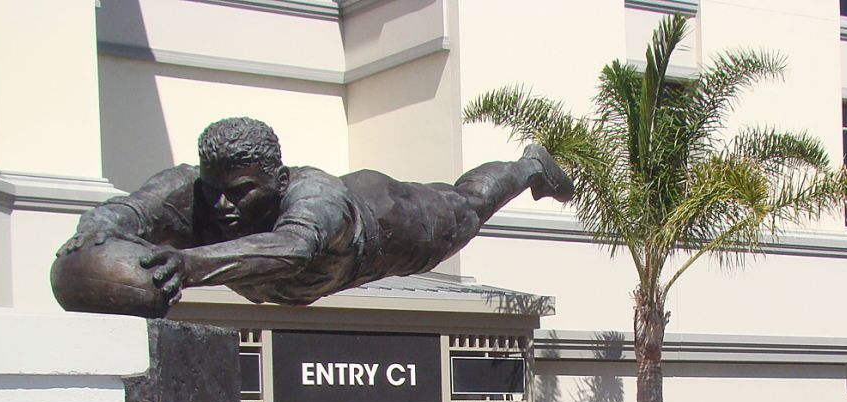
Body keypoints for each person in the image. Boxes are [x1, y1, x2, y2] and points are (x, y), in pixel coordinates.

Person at [54, 116, 573, 311]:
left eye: (240, 193)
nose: (222, 205)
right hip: (305, 276)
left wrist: (189, 267)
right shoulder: (189, 187)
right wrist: (97, 227)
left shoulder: (314, 198)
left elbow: (292, 249)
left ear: (278, 183)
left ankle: (529, 167)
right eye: (215, 190)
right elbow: (129, 211)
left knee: (467, 206)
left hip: (388, 224)